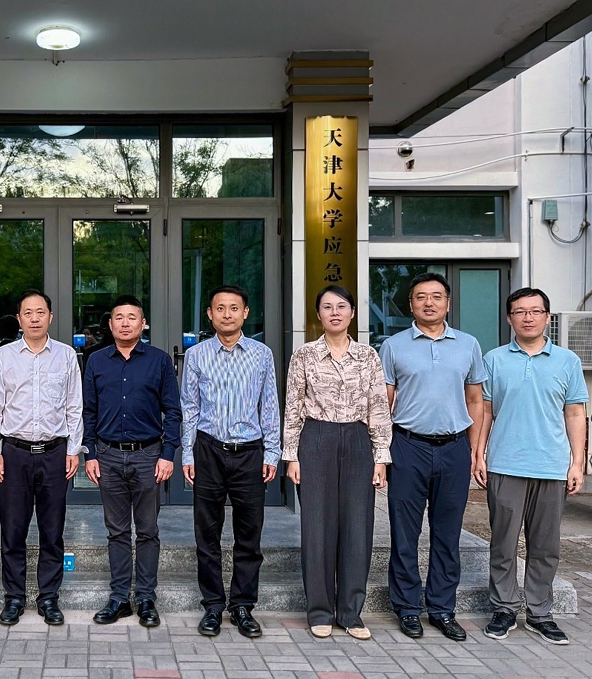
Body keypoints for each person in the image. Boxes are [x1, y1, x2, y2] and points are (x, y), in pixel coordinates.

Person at [475, 288, 587, 646]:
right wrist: (478, 454)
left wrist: (577, 462)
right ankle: (504, 609)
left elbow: (575, 413)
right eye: (520, 311)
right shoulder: (494, 359)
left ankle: (540, 613)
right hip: (506, 464)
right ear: (509, 318)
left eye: (536, 311)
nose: (528, 317)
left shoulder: (567, 361)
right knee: (503, 543)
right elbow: (485, 411)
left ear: (547, 318)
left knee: (545, 545)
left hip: (552, 466)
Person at [380, 272, 486, 642]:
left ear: (448, 303)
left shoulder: (468, 345)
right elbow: (384, 403)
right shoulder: (393, 346)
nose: (429, 303)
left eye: (436, 296)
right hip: (407, 446)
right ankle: (408, 608)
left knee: (447, 533)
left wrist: (475, 451)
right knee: (404, 533)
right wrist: (382, 452)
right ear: (410, 305)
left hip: (454, 448)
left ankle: (442, 608)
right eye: (421, 297)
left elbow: (476, 400)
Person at [284, 285, 392, 640]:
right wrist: (291, 455)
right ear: (318, 314)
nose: (335, 312)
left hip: (358, 439)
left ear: (352, 313)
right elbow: (293, 407)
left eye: (341, 306)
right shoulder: (304, 355)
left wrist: (381, 457)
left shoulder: (368, 356)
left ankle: (350, 612)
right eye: (327, 307)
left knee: (357, 525)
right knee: (316, 526)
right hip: (316, 438)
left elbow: (378, 407)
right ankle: (319, 611)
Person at [181, 285, 281, 638]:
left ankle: (242, 606)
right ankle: (212, 605)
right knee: (207, 534)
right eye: (220, 308)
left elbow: (270, 405)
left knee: (249, 535)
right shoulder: (196, 355)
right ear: (210, 314)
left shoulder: (261, 354)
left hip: (250, 452)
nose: (227, 314)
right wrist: (188, 452)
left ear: (245, 313)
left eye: (234, 308)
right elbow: (189, 407)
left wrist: (272, 452)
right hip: (208, 449)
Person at [0, 289, 84, 627]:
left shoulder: (66, 355)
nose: (35, 318)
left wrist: (74, 449)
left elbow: (74, 406)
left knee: (52, 530)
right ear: (19, 318)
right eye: (28, 313)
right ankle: (14, 597)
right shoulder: (4, 356)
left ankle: (48, 597)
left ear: (50, 317)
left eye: (41, 312)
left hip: (55, 453)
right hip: (14, 453)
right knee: (13, 530)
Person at [83, 295, 182, 628]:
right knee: (117, 531)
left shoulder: (159, 361)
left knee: (148, 531)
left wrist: (168, 454)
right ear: (110, 324)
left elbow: (173, 412)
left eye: (132, 317)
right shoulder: (96, 361)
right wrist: (90, 453)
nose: (125, 323)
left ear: (143, 323)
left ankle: (146, 599)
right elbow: (88, 411)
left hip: (148, 456)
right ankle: (119, 598)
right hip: (108, 455)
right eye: (119, 317)